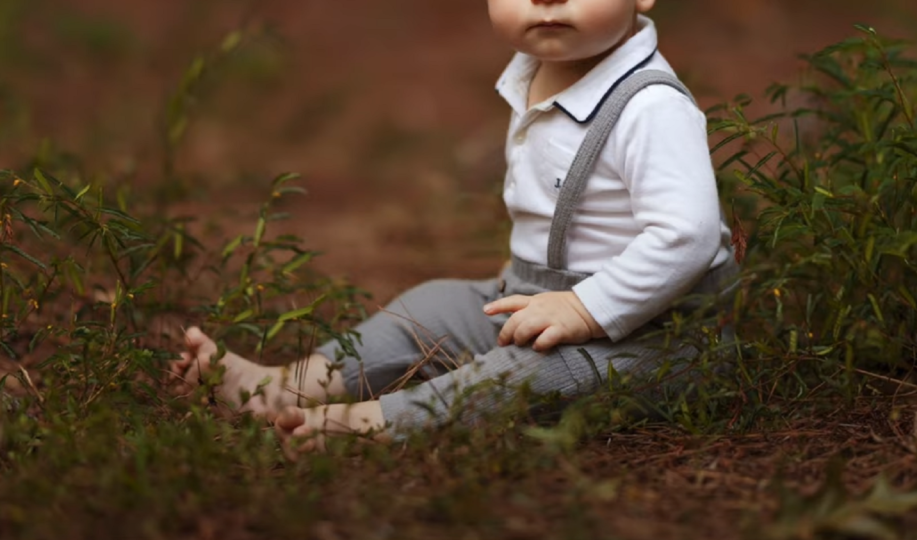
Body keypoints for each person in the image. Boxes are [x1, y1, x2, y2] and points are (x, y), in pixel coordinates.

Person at [169, 0, 738, 457]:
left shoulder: (651, 108)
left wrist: (584, 309)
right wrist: (544, 297)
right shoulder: (539, 73)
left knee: (526, 375)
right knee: (429, 307)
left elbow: (685, 237)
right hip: (534, 299)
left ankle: (373, 425)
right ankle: (284, 388)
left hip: (657, 336)